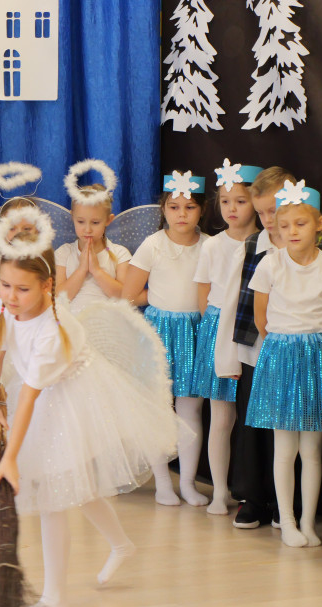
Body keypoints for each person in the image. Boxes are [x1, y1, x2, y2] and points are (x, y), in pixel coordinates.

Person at [0, 211, 177, 607]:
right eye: (5, 286)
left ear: (49, 286)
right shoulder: (7, 309)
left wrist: (10, 457)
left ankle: (55, 599)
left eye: (22, 289)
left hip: (71, 397)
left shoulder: (52, 331)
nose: (10, 297)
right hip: (44, 391)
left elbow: (30, 398)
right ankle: (121, 544)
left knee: (53, 495)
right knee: (77, 487)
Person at [245, 181, 322, 548]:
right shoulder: (270, 264)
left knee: (312, 449)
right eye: (284, 226)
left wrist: (312, 343)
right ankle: (285, 519)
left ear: (318, 224)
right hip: (281, 354)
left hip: (318, 355)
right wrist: (284, 346)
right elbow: (261, 318)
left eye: (300, 224)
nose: (291, 232)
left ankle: (306, 519)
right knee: (284, 448)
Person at [213, 167, 297, 529]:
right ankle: (253, 498)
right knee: (251, 426)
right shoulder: (251, 247)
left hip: (293, 354)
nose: (268, 220)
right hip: (253, 351)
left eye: (273, 211)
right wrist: (227, 356)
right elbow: (232, 306)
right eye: (261, 212)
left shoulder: (313, 246)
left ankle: (283, 499)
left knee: (287, 425)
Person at [122, 171, 209, 507]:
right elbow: (129, 294)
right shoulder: (153, 244)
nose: (182, 214)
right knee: (159, 409)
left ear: (201, 210)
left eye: (189, 207)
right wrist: (160, 301)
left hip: (195, 332)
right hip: (158, 332)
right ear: (164, 208)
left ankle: (187, 482)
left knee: (191, 410)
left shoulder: (209, 245)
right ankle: (162, 483)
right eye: (174, 207)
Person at [191, 160, 261, 515]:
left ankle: (252, 489)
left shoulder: (266, 242)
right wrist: (215, 334)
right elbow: (204, 292)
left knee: (250, 416)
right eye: (225, 201)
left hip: (251, 329)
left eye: (240, 201)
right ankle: (220, 490)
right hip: (219, 329)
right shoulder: (213, 245)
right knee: (221, 417)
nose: (232, 209)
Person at [55, 183, 131, 313]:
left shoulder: (120, 254)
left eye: (95, 223)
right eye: (81, 222)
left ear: (108, 220)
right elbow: (58, 298)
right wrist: (81, 269)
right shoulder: (64, 253)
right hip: (73, 325)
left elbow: (124, 297)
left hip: (108, 325)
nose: (87, 229)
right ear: (72, 217)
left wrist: (97, 270)